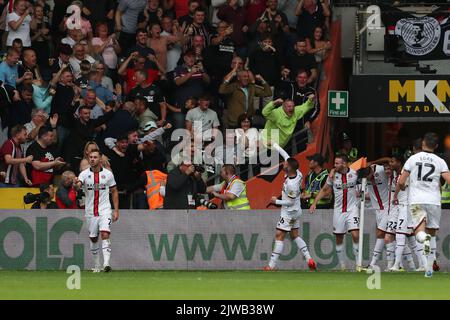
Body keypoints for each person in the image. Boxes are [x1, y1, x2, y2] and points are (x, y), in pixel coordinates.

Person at [396, 132, 450, 278]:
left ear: (423, 144)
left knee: (419, 233)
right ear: (436, 146)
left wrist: (401, 188)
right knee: (432, 234)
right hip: (434, 201)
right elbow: (448, 179)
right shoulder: (440, 161)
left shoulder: (412, 159)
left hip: (417, 200)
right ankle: (429, 270)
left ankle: (423, 240)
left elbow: (401, 181)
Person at [264, 143, 316, 271]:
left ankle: (271, 266)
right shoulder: (297, 173)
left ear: (289, 168)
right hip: (296, 210)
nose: (283, 164)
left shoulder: (291, 185)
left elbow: (290, 202)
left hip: (289, 212)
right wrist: (274, 145)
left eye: (285, 165)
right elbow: (286, 155)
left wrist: (276, 201)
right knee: (295, 235)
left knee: (279, 235)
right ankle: (309, 258)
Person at [310, 154, 360, 271]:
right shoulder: (332, 176)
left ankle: (358, 264)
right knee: (339, 237)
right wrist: (314, 203)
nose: (334, 165)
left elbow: (366, 173)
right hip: (338, 211)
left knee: (355, 235)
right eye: (334, 163)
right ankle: (343, 265)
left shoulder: (354, 173)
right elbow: (324, 190)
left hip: (352, 209)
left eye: (337, 163)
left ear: (344, 163)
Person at [75, 149, 119, 273]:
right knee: (93, 238)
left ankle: (106, 264)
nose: (92, 159)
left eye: (95, 157)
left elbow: (114, 191)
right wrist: (75, 185)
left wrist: (116, 210)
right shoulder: (84, 174)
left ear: (100, 159)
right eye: (90, 157)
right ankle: (97, 264)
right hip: (90, 212)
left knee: (105, 234)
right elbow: (78, 186)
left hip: (104, 210)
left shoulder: (108, 174)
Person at [389, 153, 424, 272]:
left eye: (392, 161)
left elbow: (401, 184)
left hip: (405, 207)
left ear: (400, 162)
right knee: (413, 239)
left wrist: (395, 196)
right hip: (411, 207)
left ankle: (396, 265)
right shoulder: (407, 172)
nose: (390, 164)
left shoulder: (406, 171)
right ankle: (423, 264)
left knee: (399, 236)